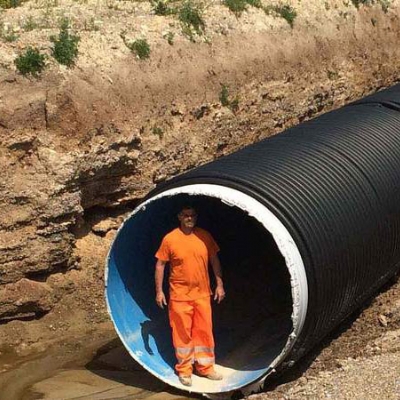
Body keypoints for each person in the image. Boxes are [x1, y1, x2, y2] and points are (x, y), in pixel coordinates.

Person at [154, 205, 225, 387]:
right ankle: (184, 371)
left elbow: (214, 259)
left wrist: (219, 284)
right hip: (179, 296)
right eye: (186, 215)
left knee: (204, 332)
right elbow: (160, 265)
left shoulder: (204, 236)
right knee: (182, 335)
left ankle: (205, 368)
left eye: (192, 215)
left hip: (202, 294)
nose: (189, 218)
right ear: (179, 217)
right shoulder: (170, 239)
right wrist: (159, 291)